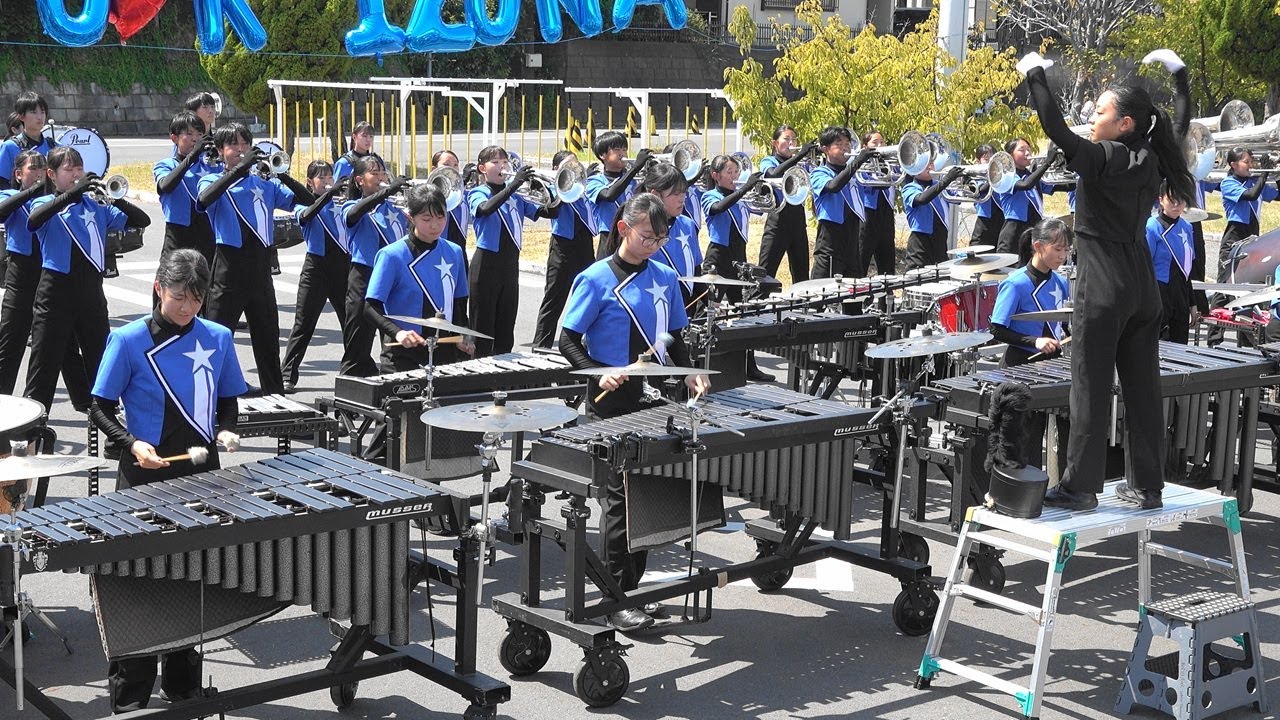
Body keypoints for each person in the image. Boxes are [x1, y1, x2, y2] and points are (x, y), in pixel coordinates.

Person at [1021, 48, 1196, 511]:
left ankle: (1080, 487)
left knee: (1089, 386)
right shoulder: (1154, 156)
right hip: (1143, 285)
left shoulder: (1102, 157)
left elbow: (1055, 130)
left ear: (1124, 124)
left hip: (1102, 283)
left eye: (1100, 111)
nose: (1091, 117)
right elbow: (1179, 124)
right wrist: (1180, 77)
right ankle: (1148, 486)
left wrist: (1035, 72)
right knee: (1143, 387)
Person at [90, 249, 245, 712]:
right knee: (138, 585)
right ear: (159, 288)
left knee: (191, 581)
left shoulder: (217, 336)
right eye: (179, 297)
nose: (187, 308)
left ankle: (182, 687)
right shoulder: (128, 339)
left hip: (199, 474)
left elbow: (229, 400)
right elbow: (99, 405)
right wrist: (132, 442)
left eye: (196, 299)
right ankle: (131, 695)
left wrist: (227, 429)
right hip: (143, 473)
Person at [559, 193, 711, 633]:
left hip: (655, 402)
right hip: (613, 406)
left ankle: (634, 592)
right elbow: (567, 341)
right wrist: (598, 374)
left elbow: (676, 337)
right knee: (620, 505)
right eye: (648, 236)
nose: (655, 245)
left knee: (647, 498)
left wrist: (689, 374)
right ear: (624, 229)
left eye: (661, 238)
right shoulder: (595, 278)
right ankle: (613, 598)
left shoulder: (664, 275)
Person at [23, 147, 150, 413]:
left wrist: (114, 197)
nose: (76, 174)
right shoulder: (45, 203)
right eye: (68, 170)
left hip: (91, 295)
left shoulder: (96, 206)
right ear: (51, 174)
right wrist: (71, 194)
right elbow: (34, 221)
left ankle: (111, 431)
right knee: (43, 367)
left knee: (102, 365)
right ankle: (30, 435)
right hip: (54, 295)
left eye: (79, 169)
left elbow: (143, 220)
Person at [196, 123, 315, 396]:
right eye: (233, 145)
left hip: (260, 268)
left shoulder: (263, 182)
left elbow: (307, 200)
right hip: (228, 268)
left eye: (245, 144)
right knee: (216, 338)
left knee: (268, 341)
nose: (240, 150)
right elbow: (203, 200)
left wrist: (281, 174)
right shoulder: (213, 178)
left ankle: (277, 403)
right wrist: (239, 168)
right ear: (220, 150)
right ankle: (207, 403)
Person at [0, 150, 90, 404]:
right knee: (11, 341)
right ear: (18, 174)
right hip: (22, 276)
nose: (39, 174)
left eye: (43, 169)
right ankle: (2, 402)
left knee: (65, 345)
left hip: (49, 275)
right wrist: (31, 191)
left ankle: (84, 401)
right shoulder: (11, 194)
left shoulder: (55, 200)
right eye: (33, 169)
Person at [989, 219, 1075, 471]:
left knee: (1055, 428)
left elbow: (1061, 323)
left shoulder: (1059, 282)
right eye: (1058, 249)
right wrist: (1034, 341)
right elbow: (997, 328)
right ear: (1038, 246)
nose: (1063, 255)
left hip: (1052, 367)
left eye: (1067, 250)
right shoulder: (1016, 283)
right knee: (1026, 441)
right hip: (1020, 367)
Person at [364, 184, 474, 371]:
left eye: (441, 217)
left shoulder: (454, 252)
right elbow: (370, 308)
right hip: (403, 353)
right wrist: (398, 333)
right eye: (426, 219)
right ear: (410, 216)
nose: (435, 225)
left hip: (443, 350)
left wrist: (464, 335)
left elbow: (459, 303)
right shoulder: (392, 255)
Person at [467, 146, 546, 357]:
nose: (502, 166)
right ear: (482, 168)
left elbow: (549, 211)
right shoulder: (478, 192)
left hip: (510, 267)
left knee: (505, 331)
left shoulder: (516, 196)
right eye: (496, 162)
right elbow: (484, 209)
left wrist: (549, 190)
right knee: (482, 332)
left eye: (504, 161)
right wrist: (514, 185)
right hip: (485, 266)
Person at [281, 161, 350, 391]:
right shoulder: (304, 203)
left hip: (342, 267)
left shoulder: (341, 203)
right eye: (321, 177)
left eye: (330, 176)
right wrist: (329, 195)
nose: (328, 180)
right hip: (316, 269)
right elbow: (306, 216)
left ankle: (353, 369)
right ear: (310, 182)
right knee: (304, 324)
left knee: (350, 322)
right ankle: (288, 373)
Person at [339, 155, 408, 377]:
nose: (380, 177)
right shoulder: (350, 205)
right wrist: (387, 192)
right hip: (364, 275)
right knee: (358, 341)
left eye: (382, 172)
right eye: (374, 173)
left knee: (394, 340)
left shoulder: (395, 206)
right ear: (360, 180)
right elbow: (354, 214)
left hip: (394, 275)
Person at [533, 150, 596, 349]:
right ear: (556, 169)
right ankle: (541, 348)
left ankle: (584, 346)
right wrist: (559, 183)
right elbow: (552, 209)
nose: (572, 169)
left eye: (575, 165)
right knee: (554, 299)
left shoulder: (582, 187)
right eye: (567, 166)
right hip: (562, 245)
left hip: (584, 244)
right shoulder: (552, 187)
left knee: (589, 297)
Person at [154, 111, 218, 271]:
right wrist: (193, 156)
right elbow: (165, 186)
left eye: (199, 134)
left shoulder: (211, 165)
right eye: (189, 134)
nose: (195, 139)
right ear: (174, 138)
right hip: (178, 234)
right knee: (170, 285)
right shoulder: (166, 164)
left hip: (208, 233)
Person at [809, 126, 876, 279]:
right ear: (825, 149)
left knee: (854, 294)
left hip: (853, 236)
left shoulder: (856, 174)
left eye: (847, 143)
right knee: (821, 291)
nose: (845, 147)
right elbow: (833, 186)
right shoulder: (820, 172)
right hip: (830, 237)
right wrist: (857, 162)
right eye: (839, 144)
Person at [757, 126, 816, 282]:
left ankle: (801, 305)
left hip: (798, 220)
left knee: (801, 274)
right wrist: (799, 156)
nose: (791, 142)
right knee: (766, 271)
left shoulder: (801, 163)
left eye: (794, 139)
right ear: (775, 143)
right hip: (777, 220)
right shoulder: (769, 161)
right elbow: (772, 174)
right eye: (787, 139)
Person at [641, 163, 702, 306]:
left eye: (684, 192)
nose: (682, 198)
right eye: (675, 194)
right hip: (652, 302)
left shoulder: (687, 224)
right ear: (655, 194)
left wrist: (711, 302)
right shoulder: (640, 228)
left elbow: (695, 269)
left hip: (684, 305)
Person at [1146, 182, 1196, 344]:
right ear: (1161, 200)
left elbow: (1187, 269)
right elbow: (1144, 267)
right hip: (1159, 293)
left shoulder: (1187, 227)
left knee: (1181, 345)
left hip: (1180, 294)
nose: (1176, 204)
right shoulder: (1152, 226)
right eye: (1172, 199)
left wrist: (1193, 303)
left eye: (1181, 200)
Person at [585, 131, 648, 259]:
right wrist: (634, 169)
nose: (622, 153)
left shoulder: (634, 179)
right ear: (602, 155)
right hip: (609, 238)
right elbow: (609, 195)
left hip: (633, 235)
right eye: (617, 149)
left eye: (625, 149)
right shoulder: (594, 181)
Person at [995, 138, 1059, 255]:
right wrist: (1047, 163)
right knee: (1010, 270)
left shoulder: (1032, 176)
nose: (1028, 153)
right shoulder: (1005, 176)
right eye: (1022, 150)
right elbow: (1025, 185)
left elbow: (1059, 187)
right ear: (1010, 155)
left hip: (1034, 229)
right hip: (1013, 231)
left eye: (1029, 150)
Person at [901, 160, 965, 270]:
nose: (929, 167)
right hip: (920, 245)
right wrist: (946, 180)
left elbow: (961, 197)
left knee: (942, 282)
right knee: (918, 282)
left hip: (940, 242)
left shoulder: (939, 185)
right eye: (924, 163)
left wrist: (966, 182)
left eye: (931, 163)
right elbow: (922, 199)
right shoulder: (910, 187)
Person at [856, 130, 898, 275]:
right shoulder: (861, 164)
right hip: (868, 213)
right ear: (865, 146)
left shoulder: (889, 163)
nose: (880, 145)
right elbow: (866, 183)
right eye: (875, 142)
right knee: (862, 256)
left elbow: (901, 173)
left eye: (882, 142)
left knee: (887, 260)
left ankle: (886, 296)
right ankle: (859, 294)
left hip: (886, 213)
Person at [0, 92, 53, 191]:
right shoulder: (10, 147)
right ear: (21, 116)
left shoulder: (54, 146)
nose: (39, 117)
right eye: (33, 112)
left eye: (42, 112)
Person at [430, 149, 471, 256]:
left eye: (455, 165)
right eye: (446, 164)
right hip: (435, 252)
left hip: (459, 253)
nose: (452, 169)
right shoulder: (427, 194)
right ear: (434, 169)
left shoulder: (464, 194)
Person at [969, 143, 1005, 248]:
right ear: (978, 161)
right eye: (986, 159)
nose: (990, 162)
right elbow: (979, 191)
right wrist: (994, 177)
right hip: (984, 220)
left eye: (992, 159)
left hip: (1001, 217)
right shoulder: (975, 177)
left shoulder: (1002, 176)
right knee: (978, 249)